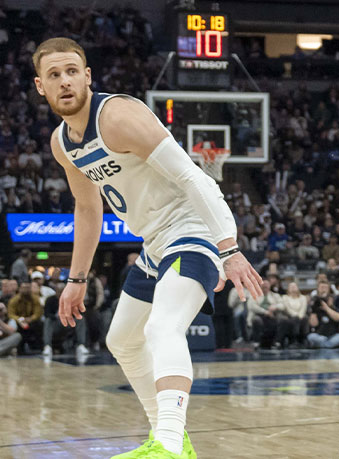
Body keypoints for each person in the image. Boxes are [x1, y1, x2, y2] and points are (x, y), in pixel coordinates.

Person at [33, 37, 263, 459]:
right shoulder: (62, 143)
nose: (64, 82)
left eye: (71, 72)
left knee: (162, 328)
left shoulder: (119, 115)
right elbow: (87, 208)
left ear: (87, 77)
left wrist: (228, 249)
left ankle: (171, 445)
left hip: (195, 226)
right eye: (53, 75)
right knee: (122, 340)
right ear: (40, 86)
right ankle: (168, 437)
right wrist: (76, 279)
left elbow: (196, 179)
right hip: (155, 242)